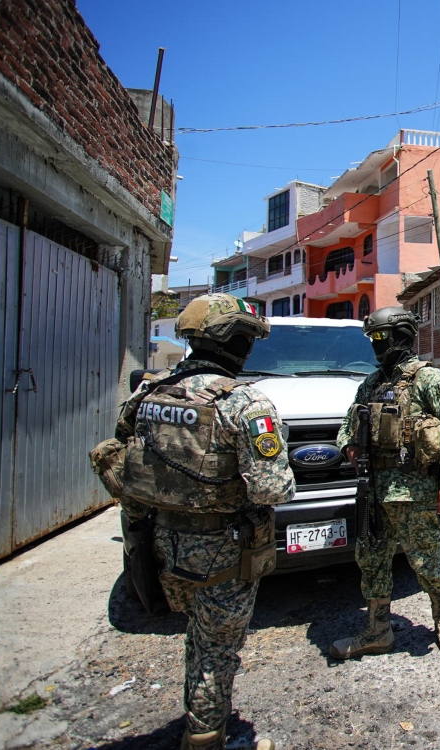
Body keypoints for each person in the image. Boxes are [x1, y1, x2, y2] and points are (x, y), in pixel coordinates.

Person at [112, 294, 292, 750]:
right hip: (223, 551)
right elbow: (273, 489)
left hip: (161, 542)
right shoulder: (244, 403)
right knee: (216, 649)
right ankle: (207, 737)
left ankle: (201, 714)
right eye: (247, 338)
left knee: (197, 635)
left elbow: (123, 455)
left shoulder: (148, 393)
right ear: (236, 341)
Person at [330, 307, 440, 660]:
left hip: (414, 492)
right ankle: (377, 630)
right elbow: (348, 423)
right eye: (374, 339)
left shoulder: (428, 380)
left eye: (381, 337)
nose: (376, 345)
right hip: (374, 490)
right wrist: (348, 446)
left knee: (427, 559)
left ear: (400, 337)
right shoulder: (373, 383)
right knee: (371, 560)